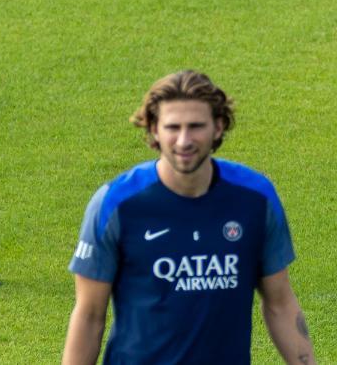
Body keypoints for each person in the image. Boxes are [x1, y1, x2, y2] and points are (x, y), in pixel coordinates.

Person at [63, 71, 315, 364]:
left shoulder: (255, 199)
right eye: (173, 127)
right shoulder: (116, 204)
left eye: (196, 126)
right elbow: (89, 315)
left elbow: (280, 304)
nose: (184, 140)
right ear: (155, 130)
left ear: (218, 127)